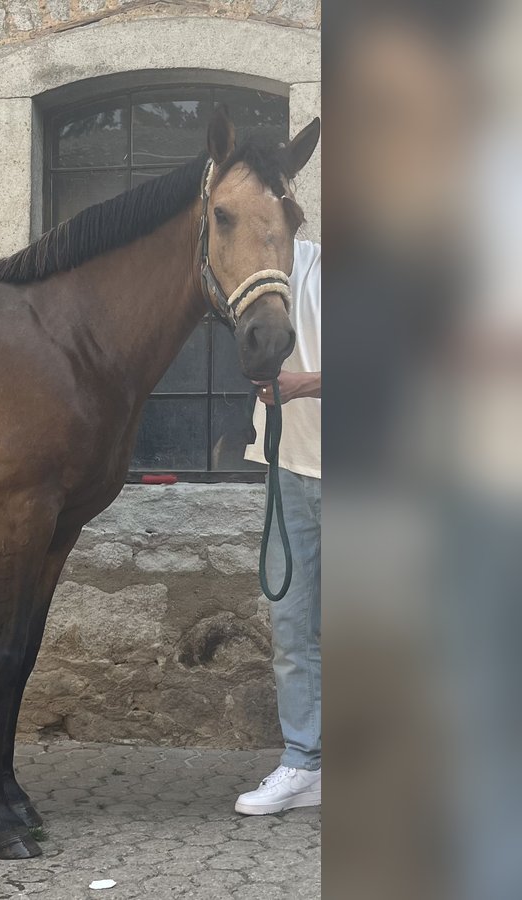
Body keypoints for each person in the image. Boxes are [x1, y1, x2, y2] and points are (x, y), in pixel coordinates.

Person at [234, 237, 322, 815]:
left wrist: (302, 384)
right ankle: (303, 762)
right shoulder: (272, 266)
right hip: (288, 466)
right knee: (291, 628)